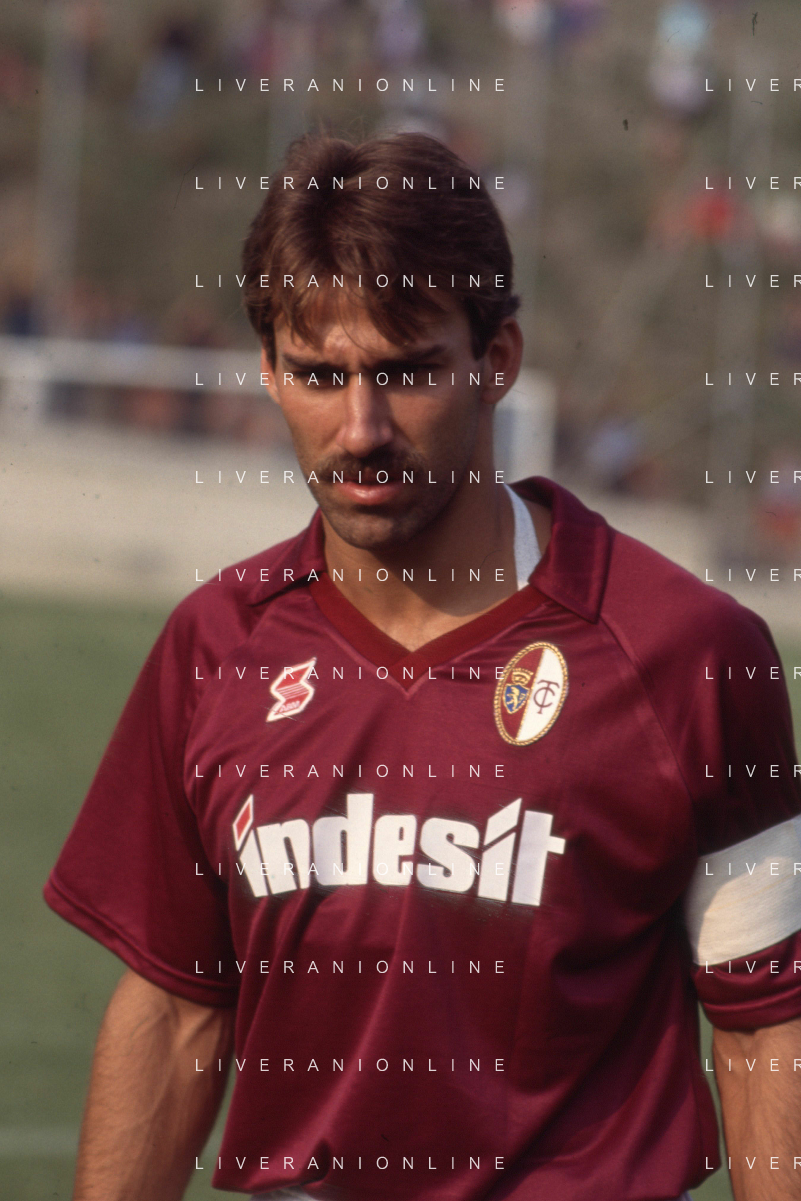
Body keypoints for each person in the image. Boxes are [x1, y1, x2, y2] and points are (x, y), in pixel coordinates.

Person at [45, 132, 801, 1201]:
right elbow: (174, 1009)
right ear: (269, 372)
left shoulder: (689, 653)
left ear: (497, 361)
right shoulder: (213, 649)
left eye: (405, 373)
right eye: (319, 375)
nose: (360, 428)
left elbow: (767, 1024)